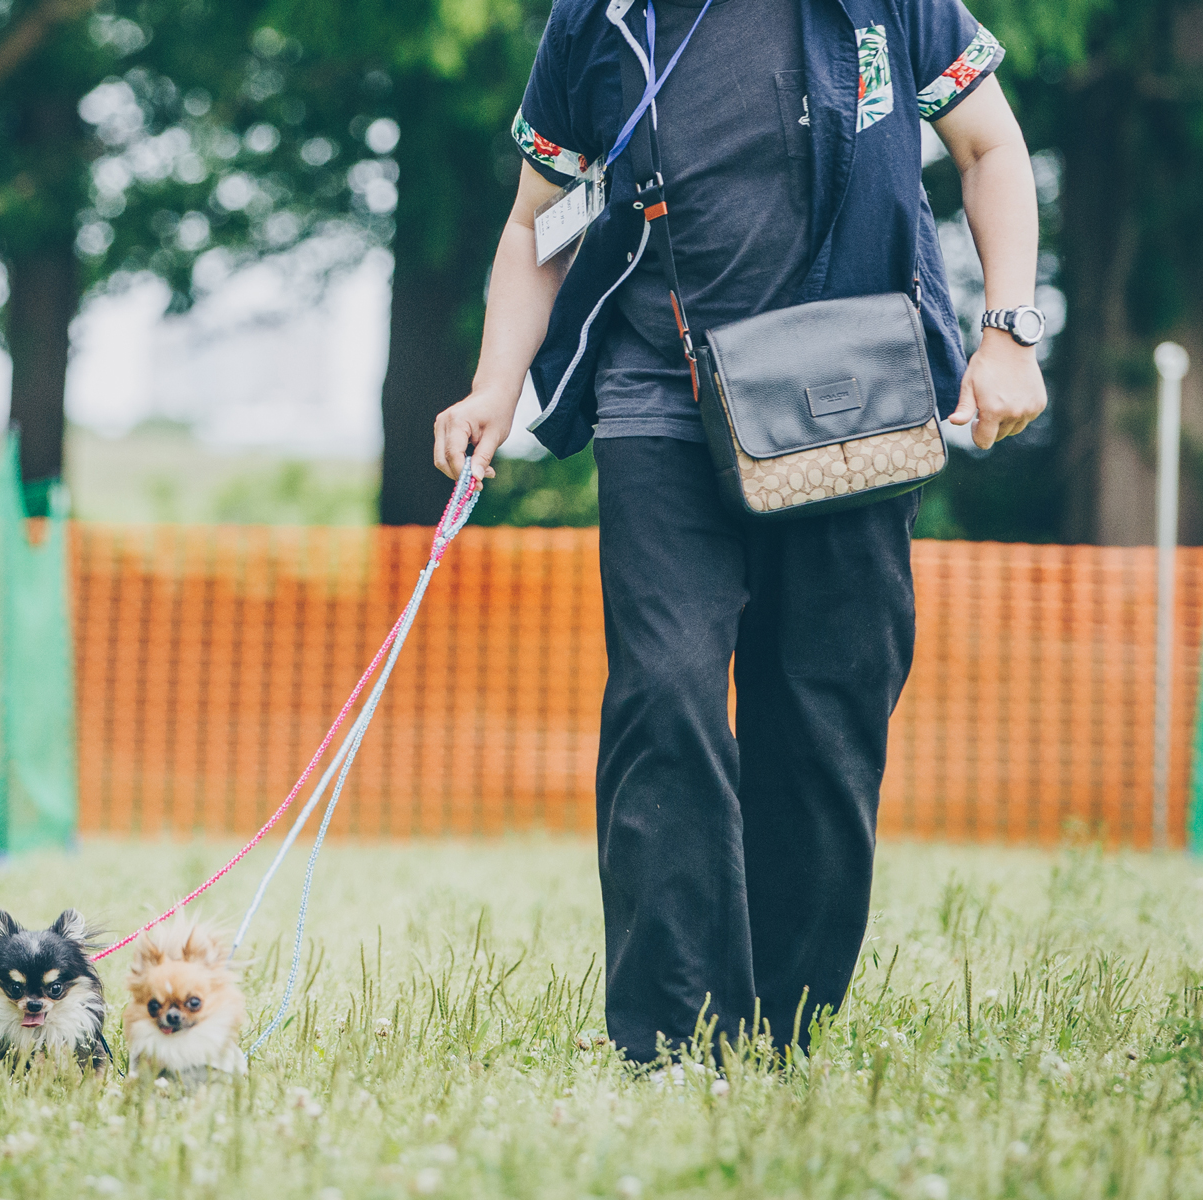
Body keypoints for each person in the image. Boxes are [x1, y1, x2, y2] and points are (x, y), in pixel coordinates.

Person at [432, 0, 1046, 1063]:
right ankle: (671, 1038)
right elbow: (536, 223)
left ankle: (782, 1026)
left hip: (855, 391)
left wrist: (1006, 331)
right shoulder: (602, 19)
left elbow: (990, 146)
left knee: (823, 716)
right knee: (663, 693)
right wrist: (494, 386)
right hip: (658, 399)